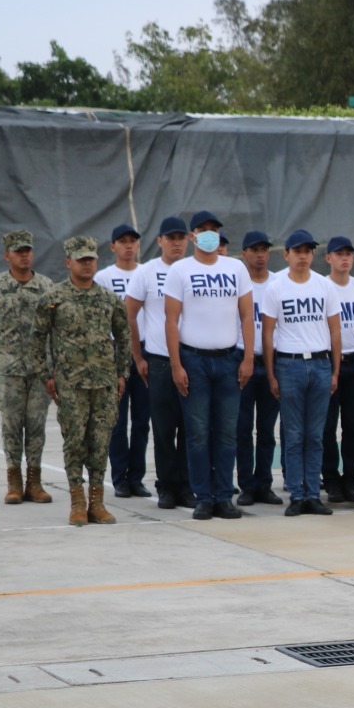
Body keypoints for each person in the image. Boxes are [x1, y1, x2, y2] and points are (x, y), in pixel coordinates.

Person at [163, 209, 256, 519]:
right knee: (198, 432)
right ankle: (203, 496)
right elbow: (172, 320)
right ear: (192, 236)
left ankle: (223, 496)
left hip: (229, 359)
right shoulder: (180, 270)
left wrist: (247, 358)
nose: (209, 234)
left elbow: (246, 315)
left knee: (227, 432)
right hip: (194, 360)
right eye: (202, 229)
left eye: (214, 229)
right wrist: (176, 365)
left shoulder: (236, 268)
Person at [34, 236, 130, 526]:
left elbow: (124, 337)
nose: (86, 264)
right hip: (70, 384)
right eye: (80, 259)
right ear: (68, 262)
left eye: (90, 259)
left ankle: (97, 502)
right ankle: (77, 501)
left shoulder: (109, 298)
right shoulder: (53, 298)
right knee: (75, 442)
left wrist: (121, 373)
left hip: (103, 383)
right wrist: (46, 375)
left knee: (100, 442)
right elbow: (37, 339)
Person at [263, 229, 341, 515]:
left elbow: (334, 329)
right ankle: (297, 493)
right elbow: (268, 334)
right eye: (298, 251)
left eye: (308, 251)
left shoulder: (324, 286)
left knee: (316, 434)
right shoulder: (277, 287)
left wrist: (334, 371)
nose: (303, 256)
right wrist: (272, 374)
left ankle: (312, 493)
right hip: (290, 364)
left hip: (320, 363)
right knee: (294, 433)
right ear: (286, 254)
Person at [0, 229, 55, 505]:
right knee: (11, 426)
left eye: (28, 251)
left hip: (39, 369)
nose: (24, 256)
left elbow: (54, 331)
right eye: (18, 251)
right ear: (7, 255)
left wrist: (53, 368)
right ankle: (14, 482)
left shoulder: (47, 287)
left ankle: (34, 482)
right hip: (8, 369)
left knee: (36, 425)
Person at [126, 216, 192, 508]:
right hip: (160, 361)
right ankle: (166, 486)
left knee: (192, 427)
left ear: (188, 240)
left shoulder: (195, 270)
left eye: (181, 237)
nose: (176, 242)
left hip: (193, 358)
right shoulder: (147, 272)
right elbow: (129, 315)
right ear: (160, 241)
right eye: (171, 237)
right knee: (164, 428)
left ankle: (187, 486)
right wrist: (138, 356)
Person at [95, 223, 151, 499]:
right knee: (117, 420)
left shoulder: (147, 272)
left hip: (144, 351)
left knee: (142, 420)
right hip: (115, 352)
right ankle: (119, 478)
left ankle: (136, 476)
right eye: (123, 241)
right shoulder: (104, 277)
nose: (129, 246)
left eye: (133, 241)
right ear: (113, 246)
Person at [235, 230, 284, 507]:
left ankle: (264, 482)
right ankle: (246, 485)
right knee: (242, 428)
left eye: (265, 249)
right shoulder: (239, 282)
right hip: (243, 359)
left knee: (266, 429)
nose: (260, 254)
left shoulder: (278, 283)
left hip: (271, 362)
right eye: (254, 249)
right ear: (244, 254)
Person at [321, 236, 354, 503]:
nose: (345, 258)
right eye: (339, 254)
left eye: (349, 253)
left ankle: (351, 479)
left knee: (352, 426)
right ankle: (330, 479)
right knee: (327, 427)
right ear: (328, 258)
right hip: (327, 361)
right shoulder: (322, 287)